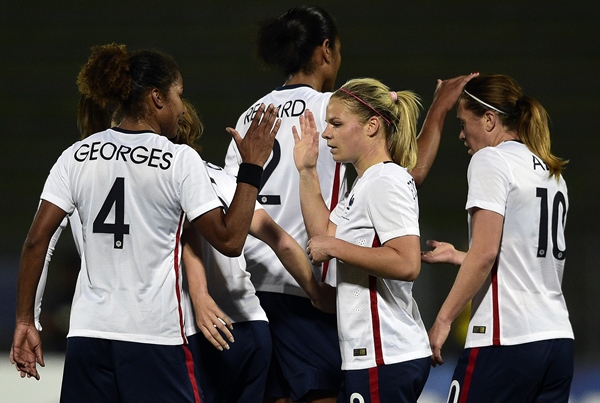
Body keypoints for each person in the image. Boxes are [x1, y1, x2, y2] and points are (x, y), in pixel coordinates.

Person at [10, 43, 280, 402]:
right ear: (157, 98)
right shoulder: (179, 160)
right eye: (178, 94)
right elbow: (230, 241)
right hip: (156, 338)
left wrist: (26, 321)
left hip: (89, 335)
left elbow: (35, 242)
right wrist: (251, 168)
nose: (182, 107)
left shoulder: (75, 156)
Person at [224, 7, 455, 401]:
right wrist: (438, 110)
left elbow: (235, 199)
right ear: (326, 50)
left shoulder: (250, 116)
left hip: (251, 287)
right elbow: (404, 171)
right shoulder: (337, 108)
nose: (329, 132)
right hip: (310, 289)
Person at [421, 74, 574, 402]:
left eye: (463, 123)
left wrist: (443, 320)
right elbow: (523, 259)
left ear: (489, 119)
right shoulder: (551, 171)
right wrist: (460, 255)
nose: (461, 134)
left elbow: (486, 253)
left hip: (507, 339)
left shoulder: (491, 159)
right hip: (557, 339)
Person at [175, 101, 335, 402]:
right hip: (253, 328)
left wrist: (199, 296)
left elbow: (188, 235)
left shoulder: (167, 179)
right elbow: (282, 242)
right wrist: (316, 292)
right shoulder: (226, 180)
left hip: (205, 328)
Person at [293, 78, 432, 402]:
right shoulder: (368, 182)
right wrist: (307, 171)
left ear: (372, 126)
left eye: (337, 123)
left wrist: (336, 248)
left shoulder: (386, 180)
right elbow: (323, 236)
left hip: (385, 353)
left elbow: (407, 262)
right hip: (377, 355)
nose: (326, 132)